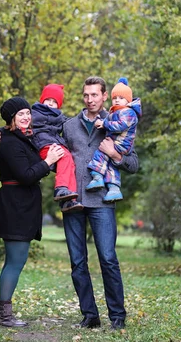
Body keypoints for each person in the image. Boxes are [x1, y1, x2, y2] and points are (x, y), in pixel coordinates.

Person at [61, 76, 139, 331]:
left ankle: (117, 316)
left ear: (105, 96)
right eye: (86, 95)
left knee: (107, 258)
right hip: (73, 201)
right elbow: (51, 151)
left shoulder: (120, 120)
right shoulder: (69, 126)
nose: (90, 99)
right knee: (78, 261)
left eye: (95, 95)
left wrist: (114, 154)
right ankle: (90, 315)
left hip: (102, 201)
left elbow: (133, 164)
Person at [0, 96, 65, 327]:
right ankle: (3, 315)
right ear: (11, 118)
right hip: (14, 206)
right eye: (20, 114)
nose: (26, 117)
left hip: (22, 204)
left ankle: (2, 313)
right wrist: (49, 161)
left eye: (27, 112)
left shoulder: (20, 138)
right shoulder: (11, 142)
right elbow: (25, 174)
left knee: (16, 260)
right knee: (15, 260)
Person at [0, 84, 83, 212]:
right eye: (48, 100)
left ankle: (69, 199)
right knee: (65, 156)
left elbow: (72, 123)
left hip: (54, 145)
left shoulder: (59, 117)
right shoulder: (35, 114)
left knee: (69, 162)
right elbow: (14, 123)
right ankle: (61, 188)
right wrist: (0, 131)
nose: (50, 104)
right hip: (41, 145)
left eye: (54, 102)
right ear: (42, 100)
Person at [85, 77, 142, 202]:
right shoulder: (117, 112)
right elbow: (111, 120)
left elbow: (119, 125)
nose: (117, 101)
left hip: (121, 144)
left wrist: (104, 124)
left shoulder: (129, 112)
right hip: (118, 143)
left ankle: (97, 176)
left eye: (121, 98)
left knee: (101, 153)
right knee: (111, 165)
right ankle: (114, 189)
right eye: (115, 98)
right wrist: (104, 121)